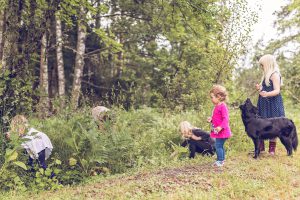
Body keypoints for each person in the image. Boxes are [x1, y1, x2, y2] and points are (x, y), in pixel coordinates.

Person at [255, 54, 285, 155]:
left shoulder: (274, 75)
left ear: (267, 64)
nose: (261, 67)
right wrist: (260, 89)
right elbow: (265, 90)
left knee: (273, 125)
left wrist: (267, 94)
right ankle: (261, 147)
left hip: (273, 104)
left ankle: (272, 149)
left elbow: (277, 91)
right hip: (264, 104)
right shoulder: (266, 75)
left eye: (262, 65)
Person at [207, 85, 231, 167]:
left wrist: (220, 127)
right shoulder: (217, 106)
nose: (211, 99)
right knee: (219, 145)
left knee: (218, 145)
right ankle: (222, 159)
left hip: (223, 131)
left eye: (212, 97)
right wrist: (211, 120)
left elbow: (226, 119)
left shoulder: (223, 106)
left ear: (219, 97)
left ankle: (220, 161)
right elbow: (217, 118)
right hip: (219, 131)